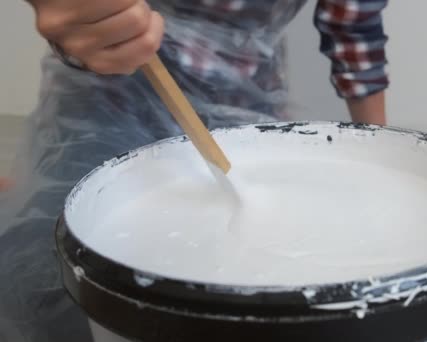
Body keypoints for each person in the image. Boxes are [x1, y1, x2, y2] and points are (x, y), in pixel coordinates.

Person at [0, 0, 389, 340]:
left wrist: (382, 156)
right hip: (108, 94)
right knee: (59, 285)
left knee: (248, 296)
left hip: (244, 101)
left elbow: (354, 28)